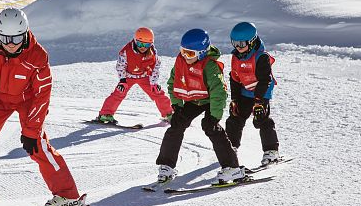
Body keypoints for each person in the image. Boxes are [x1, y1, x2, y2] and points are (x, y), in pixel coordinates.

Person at [0, 8, 84, 206]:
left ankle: (68, 196)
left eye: (16, 38)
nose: (11, 43)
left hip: (28, 100)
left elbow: (42, 95)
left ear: (25, 33)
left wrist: (32, 130)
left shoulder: (38, 55)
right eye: (5, 38)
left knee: (38, 146)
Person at [155, 29, 245, 185]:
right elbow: (173, 84)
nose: (184, 56)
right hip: (193, 100)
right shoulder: (180, 62)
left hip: (210, 100)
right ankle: (166, 166)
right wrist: (177, 105)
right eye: (182, 51)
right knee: (176, 124)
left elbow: (219, 92)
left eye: (189, 54)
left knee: (210, 126)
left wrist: (215, 115)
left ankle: (232, 168)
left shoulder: (210, 66)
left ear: (202, 53)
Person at [225, 22, 280, 166]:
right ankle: (231, 148)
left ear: (252, 41)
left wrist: (259, 102)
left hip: (261, 92)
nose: (238, 47)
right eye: (234, 43)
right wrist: (235, 99)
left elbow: (264, 80)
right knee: (235, 118)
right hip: (244, 91)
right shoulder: (236, 56)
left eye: (241, 44)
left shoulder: (261, 57)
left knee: (261, 119)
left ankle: (271, 151)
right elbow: (235, 78)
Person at [96, 27, 173, 124]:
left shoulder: (152, 53)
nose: (143, 47)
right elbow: (120, 66)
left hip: (144, 76)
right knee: (119, 93)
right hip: (128, 76)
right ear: (135, 40)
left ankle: (168, 114)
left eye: (147, 44)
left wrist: (153, 83)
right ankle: (105, 114)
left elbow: (155, 67)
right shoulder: (126, 51)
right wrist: (123, 80)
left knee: (157, 92)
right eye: (140, 43)